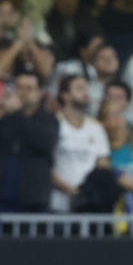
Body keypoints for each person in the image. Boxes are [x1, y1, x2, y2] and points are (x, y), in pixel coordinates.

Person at [0, 72, 57, 213]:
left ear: (39, 93)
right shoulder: (3, 117)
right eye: (19, 87)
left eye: (29, 88)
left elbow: (46, 142)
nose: (23, 92)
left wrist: (17, 114)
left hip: (33, 201)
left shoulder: (47, 119)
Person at [49, 74, 112, 213]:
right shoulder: (52, 124)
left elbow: (103, 161)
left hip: (90, 202)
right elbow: (46, 164)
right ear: (65, 95)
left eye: (86, 88)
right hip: (59, 203)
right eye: (79, 88)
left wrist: (89, 190)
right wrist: (69, 189)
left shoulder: (96, 127)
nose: (85, 93)